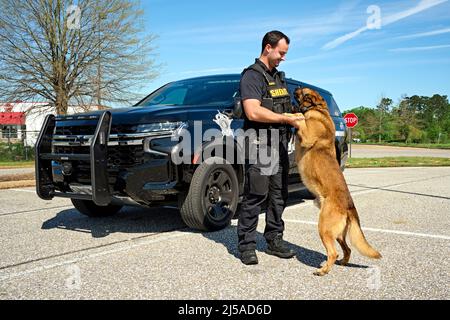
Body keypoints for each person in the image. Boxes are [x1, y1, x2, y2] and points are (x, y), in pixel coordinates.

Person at [237, 30, 304, 265]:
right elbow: (253, 111)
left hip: (280, 145)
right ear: (268, 47)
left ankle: (275, 239)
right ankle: (246, 246)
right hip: (261, 145)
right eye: (281, 52)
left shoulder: (279, 78)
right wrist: (286, 119)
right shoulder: (252, 77)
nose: (283, 57)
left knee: (279, 195)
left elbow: (290, 107)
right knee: (256, 195)